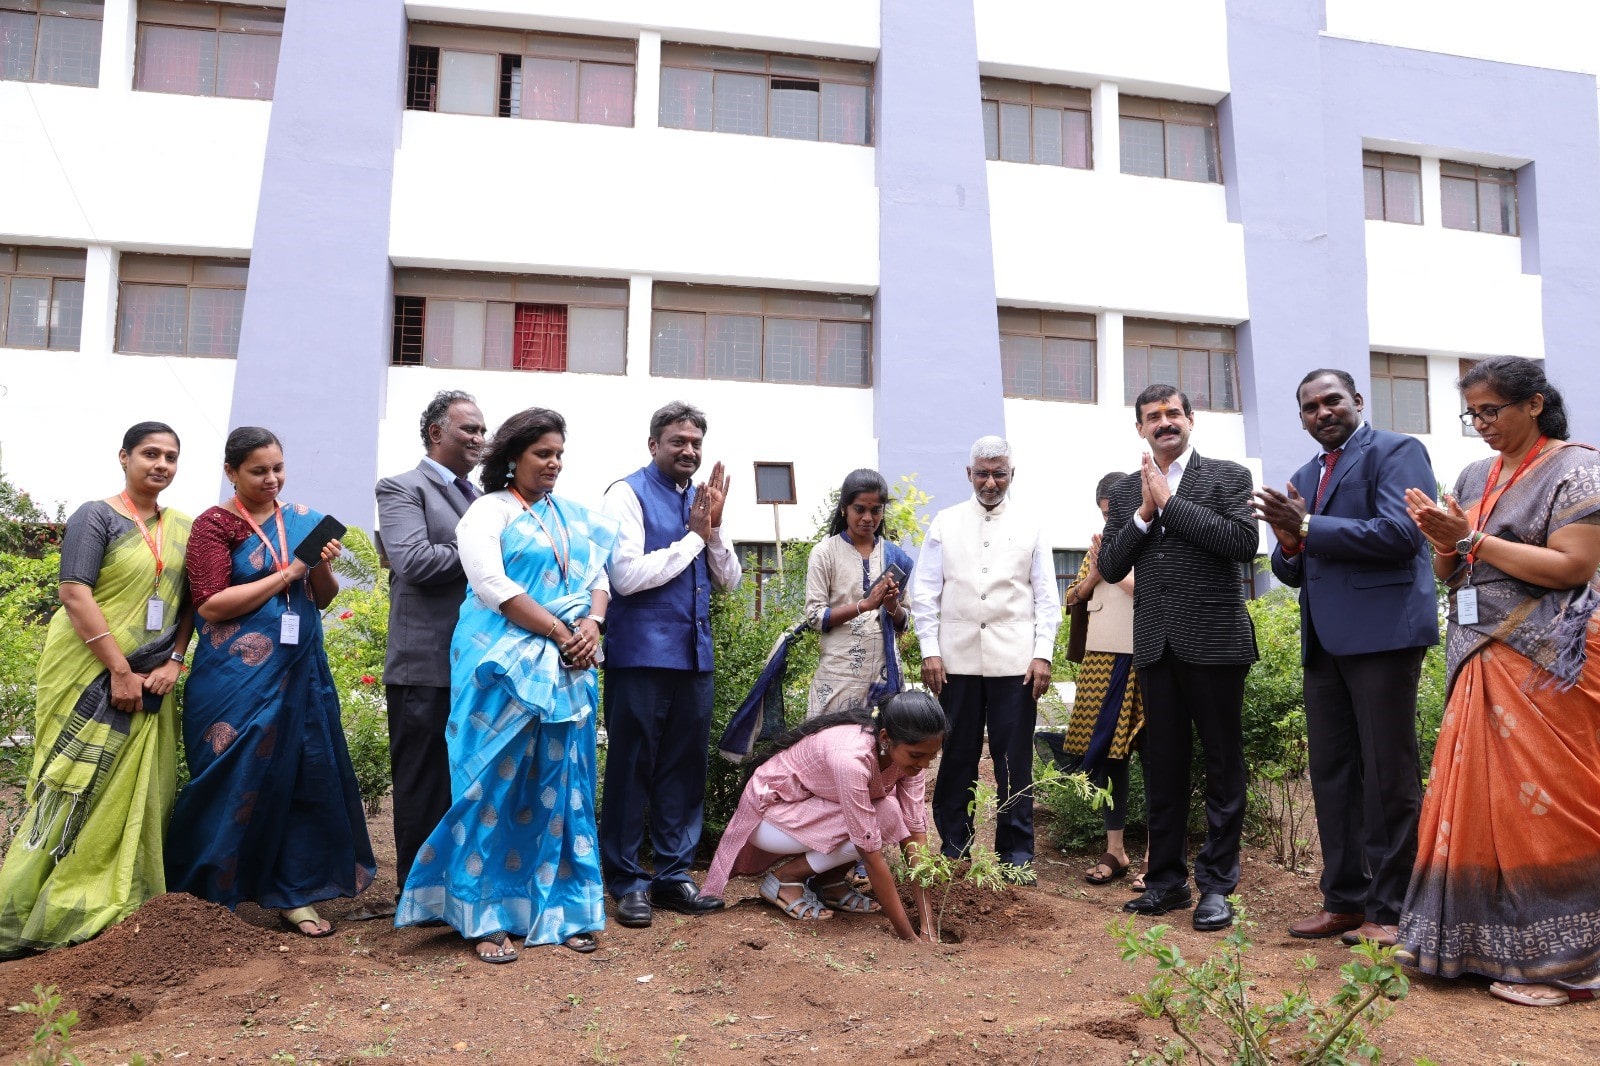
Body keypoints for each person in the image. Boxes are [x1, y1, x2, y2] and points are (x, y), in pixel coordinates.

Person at [1400, 356, 1600, 1008]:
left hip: (1546, 663)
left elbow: (1573, 566)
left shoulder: (1577, 469)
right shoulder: (1473, 475)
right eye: (1474, 413)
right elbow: (1451, 571)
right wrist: (1442, 539)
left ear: (1535, 403)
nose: (1482, 423)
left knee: (1547, 812)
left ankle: (1572, 965)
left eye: (1492, 410)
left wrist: (1473, 539)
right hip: (1479, 654)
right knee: (1487, 809)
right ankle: (1480, 946)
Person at [395, 408, 617, 961]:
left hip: (567, 669)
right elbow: (491, 584)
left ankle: (560, 908)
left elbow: (597, 576)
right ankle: (482, 915)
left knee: (561, 788)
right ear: (513, 458)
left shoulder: (574, 517)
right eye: (543, 453)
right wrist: (561, 632)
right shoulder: (487, 511)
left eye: (559, 454)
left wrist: (592, 624)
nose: (554, 463)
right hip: (498, 665)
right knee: (488, 786)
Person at [165, 427, 375, 938]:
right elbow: (211, 605)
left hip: (300, 669)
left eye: (278, 468)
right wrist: (288, 573)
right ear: (231, 472)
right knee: (228, 778)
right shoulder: (215, 525)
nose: (272, 479)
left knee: (301, 774)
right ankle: (207, 896)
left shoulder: (301, 519)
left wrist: (318, 567)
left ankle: (293, 892)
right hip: (232, 679)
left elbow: (322, 598)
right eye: (258, 471)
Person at [1254, 369, 1438, 948]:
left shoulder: (1396, 452)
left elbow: (1403, 535)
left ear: (1357, 400)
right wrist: (1290, 541)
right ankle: (1345, 900)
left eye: (1332, 400)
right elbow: (1293, 569)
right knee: (1332, 773)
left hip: (1383, 637)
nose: (1322, 412)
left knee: (1387, 775)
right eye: (1310, 407)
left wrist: (1307, 525)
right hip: (1324, 641)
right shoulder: (1306, 476)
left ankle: (1392, 908)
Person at [0, 423, 194, 956]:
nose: (161, 464)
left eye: (171, 456)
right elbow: (74, 593)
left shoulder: (182, 526)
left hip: (153, 676)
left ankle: (115, 904)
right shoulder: (96, 516)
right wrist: (119, 670)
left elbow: (191, 602)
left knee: (137, 793)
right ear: (124, 457)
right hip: (89, 669)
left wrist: (175, 660)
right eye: (150, 454)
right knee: (69, 783)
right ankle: (28, 911)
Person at [1100, 385, 1257, 933]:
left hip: (1216, 644)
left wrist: (1171, 504)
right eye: (1153, 416)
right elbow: (1111, 563)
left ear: (1191, 419)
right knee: (1162, 767)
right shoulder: (1126, 490)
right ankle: (1166, 881)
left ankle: (1217, 886)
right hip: (1155, 646)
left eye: (1173, 413)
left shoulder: (1228, 476)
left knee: (1222, 766)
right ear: (1140, 428)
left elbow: (1242, 544)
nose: (1164, 422)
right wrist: (1145, 513)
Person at [600, 401, 741, 928]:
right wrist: (693, 539)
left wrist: (715, 531)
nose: (689, 450)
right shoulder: (626, 494)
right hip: (640, 657)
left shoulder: (701, 500)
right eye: (678, 441)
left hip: (693, 658)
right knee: (631, 766)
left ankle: (673, 874)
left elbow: (730, 581)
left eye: (696, 443)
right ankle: (626, 880)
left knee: (685, 768)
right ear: (653, 444)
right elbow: (625, 576)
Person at [909, 436, 1059, 881]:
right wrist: (930, 650)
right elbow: (925, 593)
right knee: (957, 755)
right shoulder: (945, 522)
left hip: (1016, 664)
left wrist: (1043, 654)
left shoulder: (1031, 525)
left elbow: (1046, 598)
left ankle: (1016, 855)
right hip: (955, 664)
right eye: (982, 473)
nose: (990, 482)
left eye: (999, 474)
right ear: (969, 474)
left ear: (1012, 475)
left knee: (1014, 760)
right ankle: (955, 848)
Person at [701, 691, 945, 941]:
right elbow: (870, 853)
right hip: (770, 816)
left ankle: (829, 883)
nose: (924, 764)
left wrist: (928, 927)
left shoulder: (911, 758)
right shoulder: (852, 759)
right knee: (885, 815)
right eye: (917, 755)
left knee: (885, 812)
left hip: (812, 808)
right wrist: (909, 938)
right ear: (885, 738)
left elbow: (916, 836)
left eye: (932, 756)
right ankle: (786, 879)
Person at [374, 390, 486, 910]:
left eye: (482, 430)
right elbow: (414, 561)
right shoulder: (402, 487)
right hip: (424, 665)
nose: (479, 438)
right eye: (469, 429)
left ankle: (457, 892)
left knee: (466, 781)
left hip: (477, 663)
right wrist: (485, 550)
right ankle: (418, 898)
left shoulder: (481, 496)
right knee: (422, 782)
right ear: (436, 433)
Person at [1036, 471, 1147, 889]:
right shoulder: (1100, 546)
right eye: (1105, 514)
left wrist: (1113, 571)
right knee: (1109, 759)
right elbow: (1074, 597)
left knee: (1156, 758)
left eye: (1116, 512)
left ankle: (1156, 857)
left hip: (1147, 662)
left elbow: (1155, 594)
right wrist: (1097, 573)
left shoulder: (1158, 541)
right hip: (1101, 664)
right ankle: (1115, 850)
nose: (1110, 521)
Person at [804, 468, 913, 717]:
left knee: (882, 739)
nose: (868, 518)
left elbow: (904, 623)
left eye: (876, 511)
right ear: (845, 508)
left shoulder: (895, 557)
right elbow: (815, 616)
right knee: (832, 738)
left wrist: (892, 607)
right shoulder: (825, 553)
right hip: (838, 675)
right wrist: (863, 606)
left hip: (883, 676)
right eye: (859, 509)